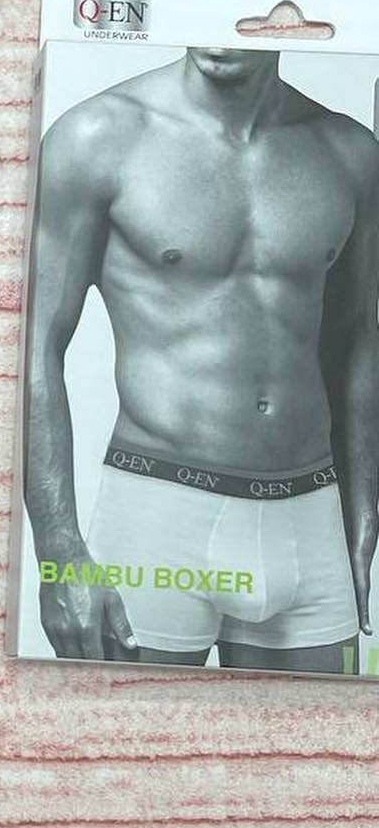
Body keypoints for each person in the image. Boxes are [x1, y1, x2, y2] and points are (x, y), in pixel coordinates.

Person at [24, 45, 379, 671]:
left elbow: (358, 335)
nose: (217, 40)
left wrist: (365, 502)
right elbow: (36, 345)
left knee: (315, 735)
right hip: (159, 513)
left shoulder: (349, 152)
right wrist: (58, 549)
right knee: (120, 734)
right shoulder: (99, 136)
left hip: (310, 513)